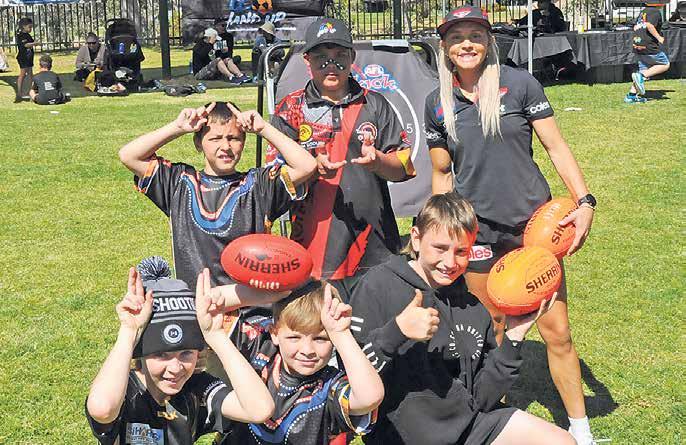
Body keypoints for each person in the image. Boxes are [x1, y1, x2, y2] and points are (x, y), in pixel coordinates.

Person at [425, 7, 598, 444]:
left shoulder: (520, 84)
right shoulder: (436, 103)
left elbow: (556, 146)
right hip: (476, 233)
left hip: (533, 232)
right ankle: (492, 424)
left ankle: (581, 431)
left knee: (557, 332)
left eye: (475, 35)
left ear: (489, 42)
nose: (466, 43)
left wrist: (585, 201)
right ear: (444, 47)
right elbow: (442, 174)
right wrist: (437, 231)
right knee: (492, 331)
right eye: (456, 37)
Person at [349, 193, 574, 445]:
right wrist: (397, 331)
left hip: (469, 427)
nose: (450, 262)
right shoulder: (377, 287)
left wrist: (514, 337)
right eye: (440, 248)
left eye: (461, 251)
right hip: (402, 438)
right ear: (416, 238)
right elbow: (351, 380)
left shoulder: (473, 308)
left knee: (561, 441)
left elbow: (482, 398)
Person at [267, 17, 416, 300]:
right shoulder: (290, 109)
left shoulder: (375, 103)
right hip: (313, 243)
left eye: (339, 56)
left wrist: (378, 162)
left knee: (376, 315)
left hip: (374, 242)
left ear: (352, 58)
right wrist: (311, 169)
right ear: (307, 61)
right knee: (320, 319)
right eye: (321, 58)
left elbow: (403, 168)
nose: (331, 65)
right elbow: (274, 180)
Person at [118, 102, 317, 287]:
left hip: (251, 307)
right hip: (197, 305)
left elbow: (306, 165)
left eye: (234, 138)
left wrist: (264, 128)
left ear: (244, 141)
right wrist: (176, 128)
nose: (226, 147)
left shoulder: (260, 186)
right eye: (215, 139)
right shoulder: (178, 183)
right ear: (198, 143)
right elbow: (129, 155)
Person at [85, 258, 276, 444]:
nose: (175, 368)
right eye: (161, 355)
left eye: (186, 353)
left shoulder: (195, 389)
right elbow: (103, 409)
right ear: (140, 353)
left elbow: (259, 409)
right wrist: (128, 333)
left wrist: (216, 336)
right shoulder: (124, 390)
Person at [198, 269, 384, 444]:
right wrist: (265, 296)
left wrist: (341, 333)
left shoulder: (328, 387)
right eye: (294, 338)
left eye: (320, 339)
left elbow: (370, 397)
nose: (307, 350)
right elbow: (208, 304)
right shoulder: (260, 347)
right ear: (274, 333)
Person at [625, 3, 671, 103]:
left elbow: (636, 26)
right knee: (665, 64)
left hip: (638, 44)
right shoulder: (655, 12)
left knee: (644, 72)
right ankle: (640, 76)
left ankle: (631, 96)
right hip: (648, 45)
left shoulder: (643, 12)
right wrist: (659, 38)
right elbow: (649, 25)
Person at [15, 17, 39, 102]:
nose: (31, 29)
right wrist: (34, 43)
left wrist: (34, 43)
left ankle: (30, 91)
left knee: (30, 75)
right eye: (29, 27)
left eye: (31, 27)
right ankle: (19, 92)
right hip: (23, 58)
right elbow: (26, 45)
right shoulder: (21, 35)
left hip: (29, 58)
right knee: (22, 74)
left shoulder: (28, 35)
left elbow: (31, 43)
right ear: (23, 26)